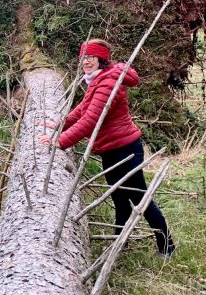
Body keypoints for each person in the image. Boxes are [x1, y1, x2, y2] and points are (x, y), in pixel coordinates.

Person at [40, 38, 175, 258]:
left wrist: (61, 141)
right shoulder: (98, 79)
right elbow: (83, 109)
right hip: (111, 150)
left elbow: (90, 120)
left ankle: (167, 246)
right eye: (83, 57)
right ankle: (119, 243)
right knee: (120, 199)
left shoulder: (108, 83)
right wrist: (59, 125)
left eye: (91, 57)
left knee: (140, 199)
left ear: (101, 59)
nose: (86, 61)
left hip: (125, 151)